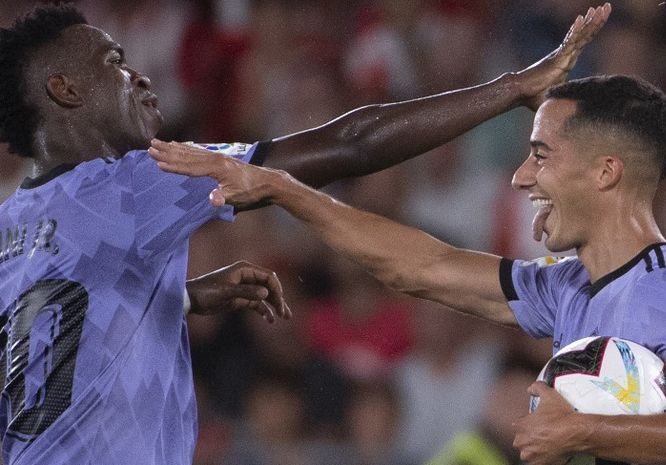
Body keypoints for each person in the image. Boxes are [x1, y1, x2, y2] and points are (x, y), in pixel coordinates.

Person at [0, 2, 609, 464]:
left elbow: (39, 332)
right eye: (115, 63)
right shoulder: (133, 184)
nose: (138, 76)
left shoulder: (12, 221)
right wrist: (513, 89)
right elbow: (351, 142)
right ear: (64, 89)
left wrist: (175, 297)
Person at [151, 8, 666, 465]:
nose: (520, 176)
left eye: (541, 155)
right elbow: (421, 267)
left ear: (606, 172)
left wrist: (584, 432)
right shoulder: (569, 287)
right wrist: (284, 189)